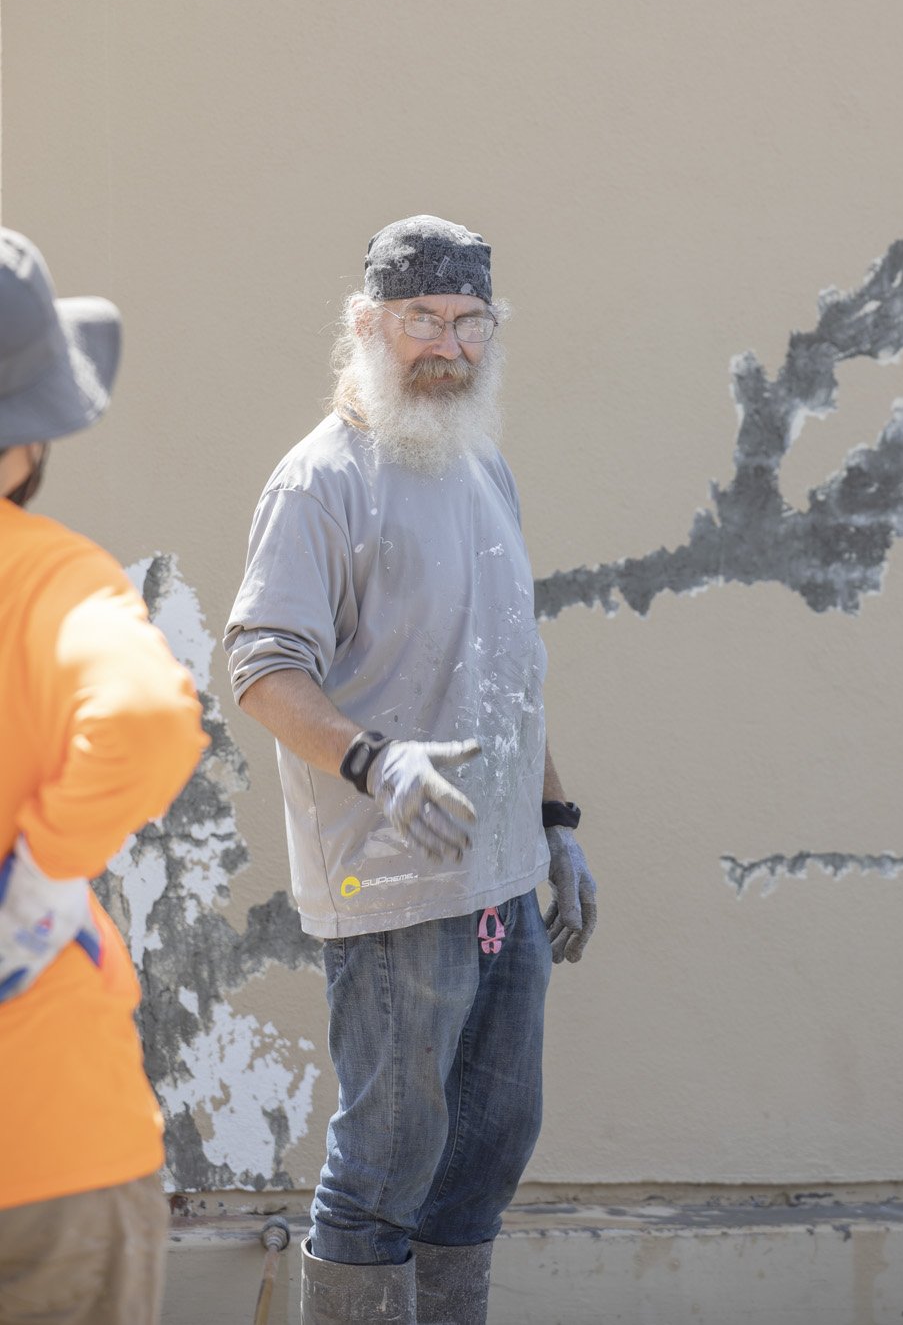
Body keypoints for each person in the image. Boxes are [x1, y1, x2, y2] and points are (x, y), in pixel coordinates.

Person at [225, 215, 597, 1325]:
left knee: (485, 1154)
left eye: (468, 321)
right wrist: (376, 765)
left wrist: (557, 822)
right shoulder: (320, 482)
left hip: (498, 878)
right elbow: (258, 666)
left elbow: (504, 675)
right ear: (367, 326)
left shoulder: (483, 467)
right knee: (386, 1167)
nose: (448, 345)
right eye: (421, 320)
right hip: (388, 883)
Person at [0, 229, 207, 1325]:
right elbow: (142, 717)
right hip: (44, 1151)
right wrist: (42, 872)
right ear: (30, 441)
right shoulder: (46, 578)